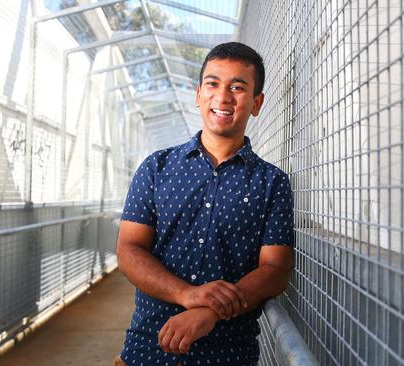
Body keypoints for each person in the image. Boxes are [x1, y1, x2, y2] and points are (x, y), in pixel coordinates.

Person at [115, 42, 294, 366]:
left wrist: (209, 311)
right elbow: (129, 250)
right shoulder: (156, 168)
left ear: (256, 103)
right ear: (198, 94)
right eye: (213, 84)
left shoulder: (272, 183)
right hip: (148, 350)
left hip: (228, 355)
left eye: (237, 88)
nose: (223, 97)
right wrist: (187, 294)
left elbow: (275, 269)